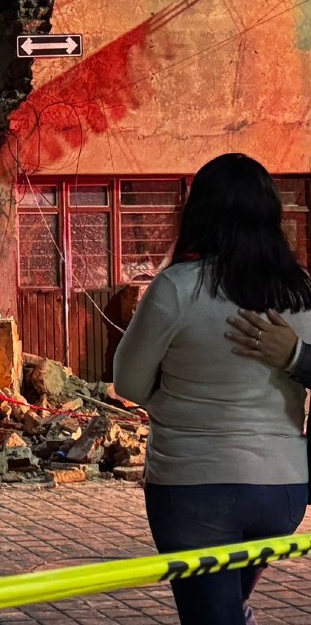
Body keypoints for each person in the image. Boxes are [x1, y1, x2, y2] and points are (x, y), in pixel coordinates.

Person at [113, 153, 311, 625]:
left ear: (198, 212)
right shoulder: (301, 292)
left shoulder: (177, 289)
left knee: (210, 615)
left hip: (193, 491)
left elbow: (128, 383)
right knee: (221, 608)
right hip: (281, 493)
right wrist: (296, 358)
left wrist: (178, 402)